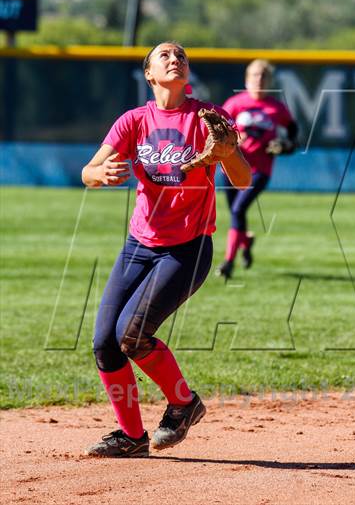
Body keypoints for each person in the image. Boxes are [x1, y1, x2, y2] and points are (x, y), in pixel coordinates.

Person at [81, 42, 251, 458]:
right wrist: (100, 172)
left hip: (187, 249)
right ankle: (131, 436)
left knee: (132, 336)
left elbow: (243, 178)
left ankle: (182, 403)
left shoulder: (208, 117)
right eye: (165, 56)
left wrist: (227, 154)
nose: (175, 59)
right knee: (105, 342)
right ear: (149, 74)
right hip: (139, 245)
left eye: (181, 56)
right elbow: (89, 171)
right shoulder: (134, 121)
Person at [216, 59, 298, 279]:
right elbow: (218, 131)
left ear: (269, 80)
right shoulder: (234, 104)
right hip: (232, 168)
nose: (258, 80)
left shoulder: (276, 108)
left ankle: (228, 262)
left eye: (263, 76)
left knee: (237, 211)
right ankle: (245, 241)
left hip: (260, 170)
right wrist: (229, 140)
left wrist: (286, 145)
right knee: (236, 214)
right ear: (246, 79)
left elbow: (292, 132)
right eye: (254, 75)